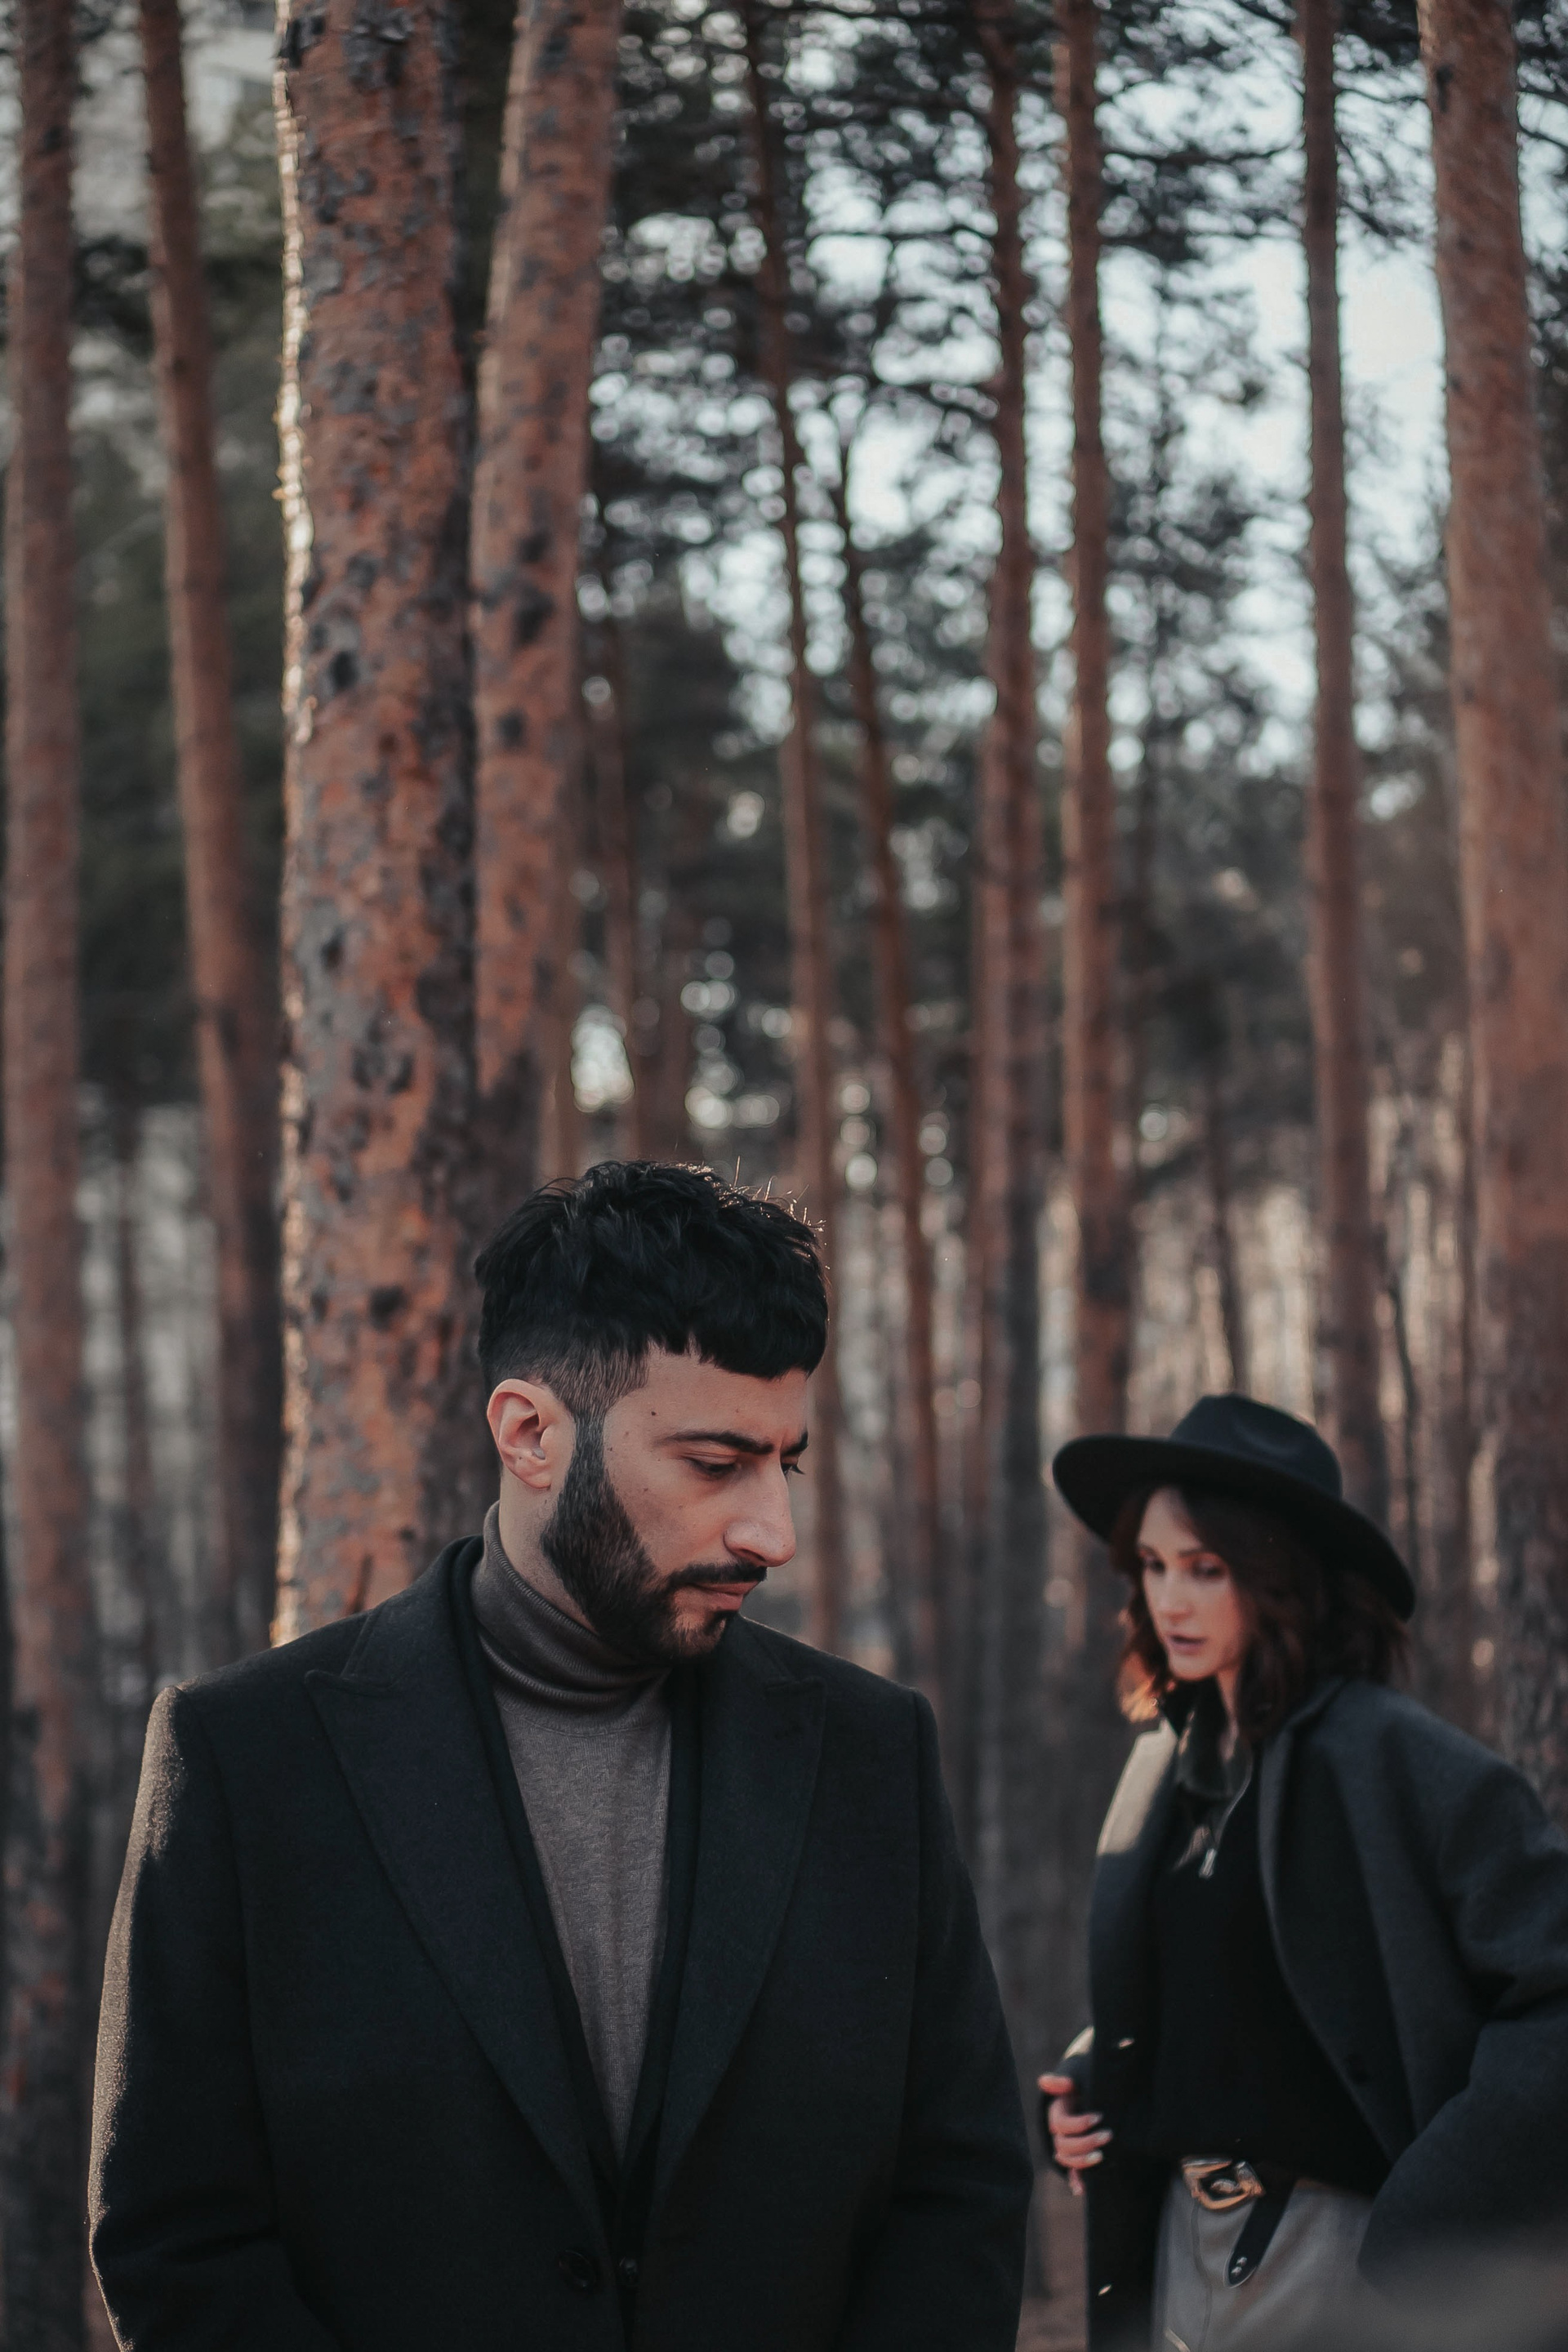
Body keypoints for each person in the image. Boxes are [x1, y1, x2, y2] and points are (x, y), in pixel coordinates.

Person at [91, 1161, 1032, 2352]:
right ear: (530, 1433)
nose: (774, 1533)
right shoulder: (247, 1760)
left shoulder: (870, 1755)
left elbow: (960, 2190)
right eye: (715, 1464)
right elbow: (177, 2238)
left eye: (784, 1463)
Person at [1038, 1392, 1568, 2352]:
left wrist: (1430, 2224)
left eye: (1205, 1568)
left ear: (1280, 1574)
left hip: (1339, 2255)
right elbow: (1240, 1991)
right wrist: (1096, 2074)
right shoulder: (1166, 1764)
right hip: (1173, 2251)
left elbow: (1553, 1995)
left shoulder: (1392, 1757)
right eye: (1152, 1565)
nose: (1169, 1600)